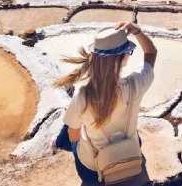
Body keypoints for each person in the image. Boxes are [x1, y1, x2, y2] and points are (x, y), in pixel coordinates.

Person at [52, 22, 157, 183]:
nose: (130, 54)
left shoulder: (82, 96)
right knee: (134, 137)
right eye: (129, 51)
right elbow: (151, 53)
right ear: (122, 58)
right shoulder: (136, 84)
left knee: (70, 130)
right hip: (130, 155)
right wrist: (137, 31)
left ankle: (58, 143)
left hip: (94, 169)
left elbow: (74, 137)